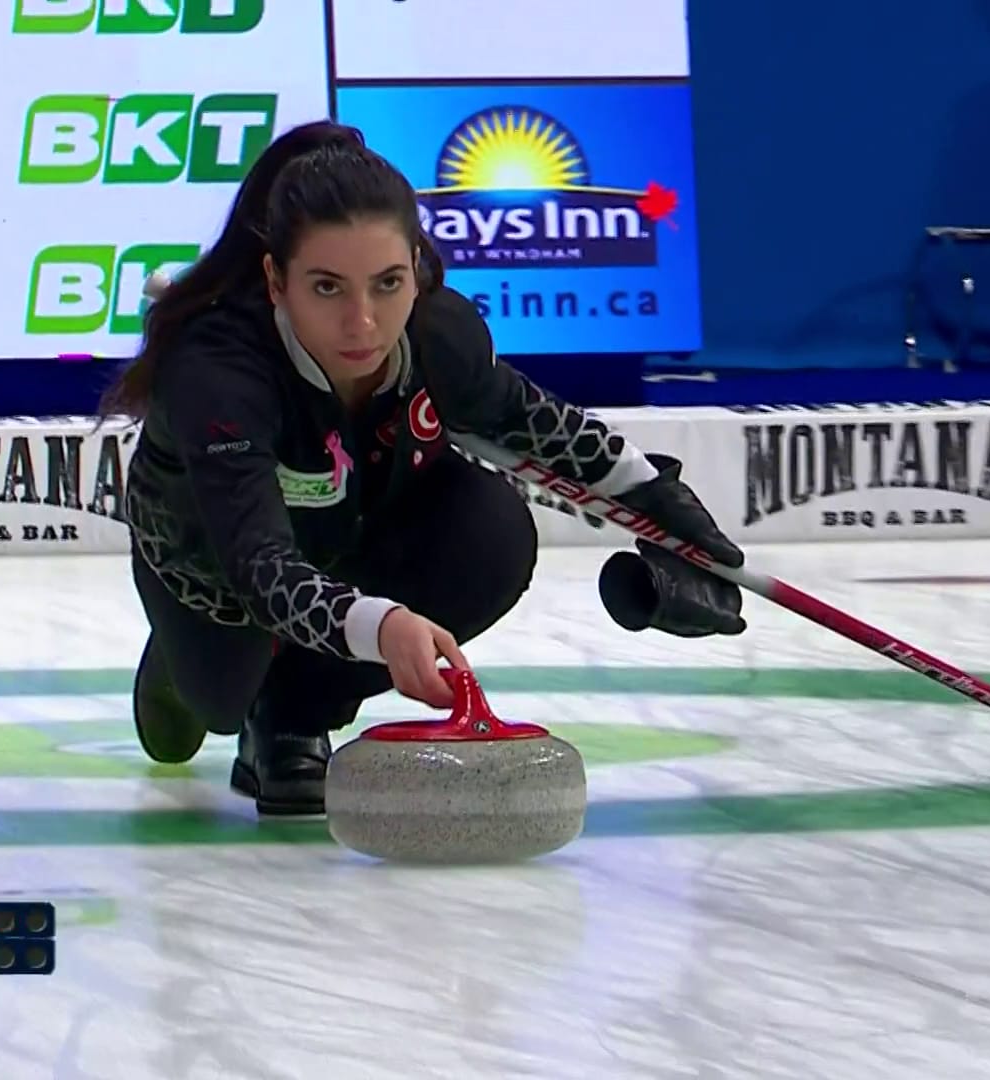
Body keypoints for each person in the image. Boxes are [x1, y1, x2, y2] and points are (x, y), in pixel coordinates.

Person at [105, 120, 747, 816]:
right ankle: (178, 656)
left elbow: (531, 421)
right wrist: (382, 627)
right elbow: (259, 565)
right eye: (327, 288)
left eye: (387, 284)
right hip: (215, 566)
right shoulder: (217, 371)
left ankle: (291, 715)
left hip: (351, 526)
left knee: (492, 532)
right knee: (218, 700)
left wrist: (659, 500)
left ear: (415, 266)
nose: (363, 323)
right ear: (275, 281)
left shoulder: (439, 333)